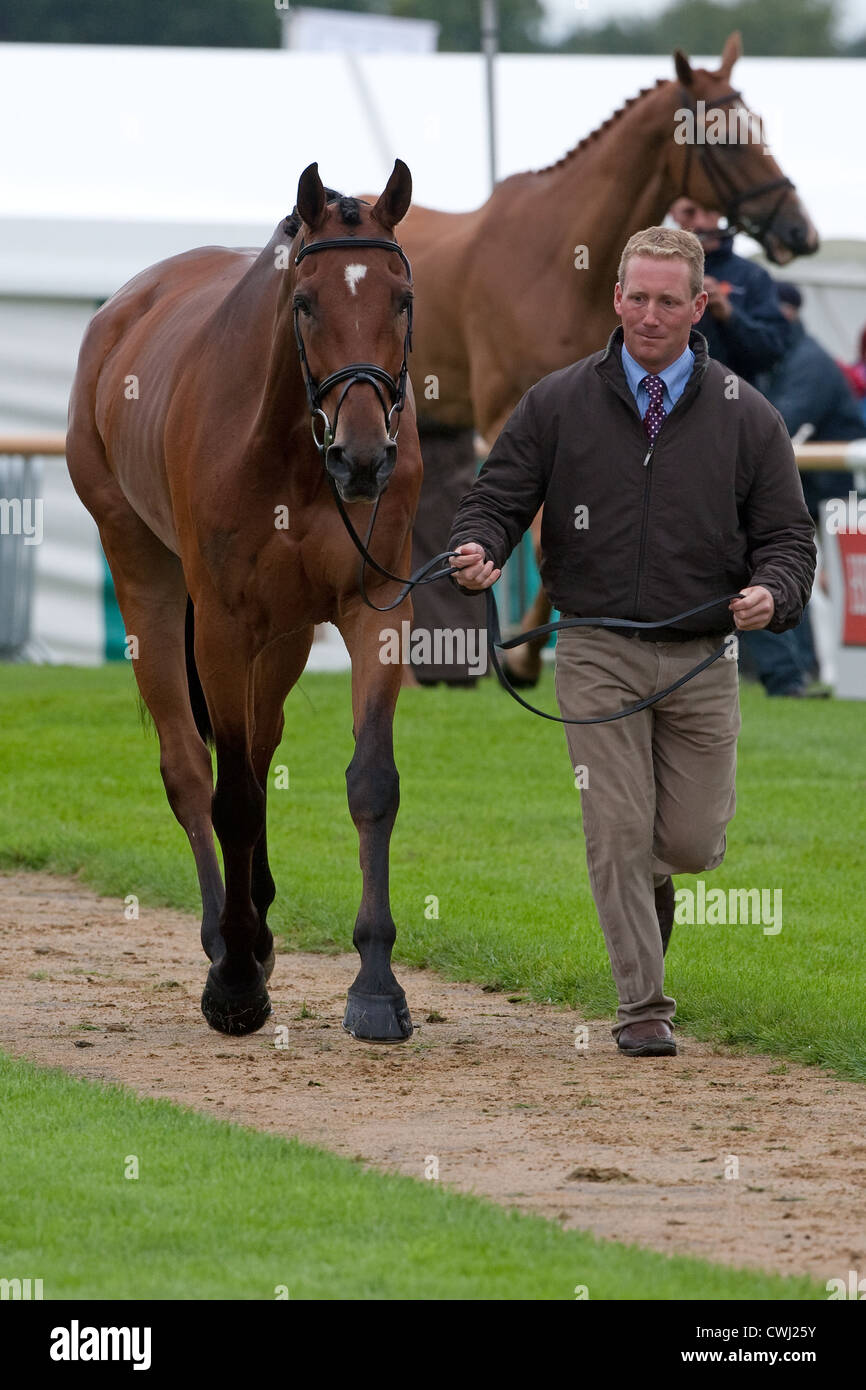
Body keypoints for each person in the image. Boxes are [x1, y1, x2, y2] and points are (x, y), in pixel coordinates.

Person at [448, 227, 815, 1059]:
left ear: (699, 305)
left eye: (667, 300)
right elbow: (496, 498)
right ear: (616, 299)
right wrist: (482, 549)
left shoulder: (747, 416)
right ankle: (643, 1004)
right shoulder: (557, 402)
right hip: (595, 648)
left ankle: (654, 896)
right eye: (636, 297)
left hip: (702, 655)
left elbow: (790, 539)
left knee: (683, 843)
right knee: (615, 825)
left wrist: (773, 593)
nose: (650, 315)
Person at [668, 197, 790, 385]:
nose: (700, 222)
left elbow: (773, 352)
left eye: (709, 210)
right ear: (672, 215)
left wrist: (728, 314)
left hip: (730, 398)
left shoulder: (752, 275)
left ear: (721, 213)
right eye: (689, 212)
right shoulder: (655, 274)